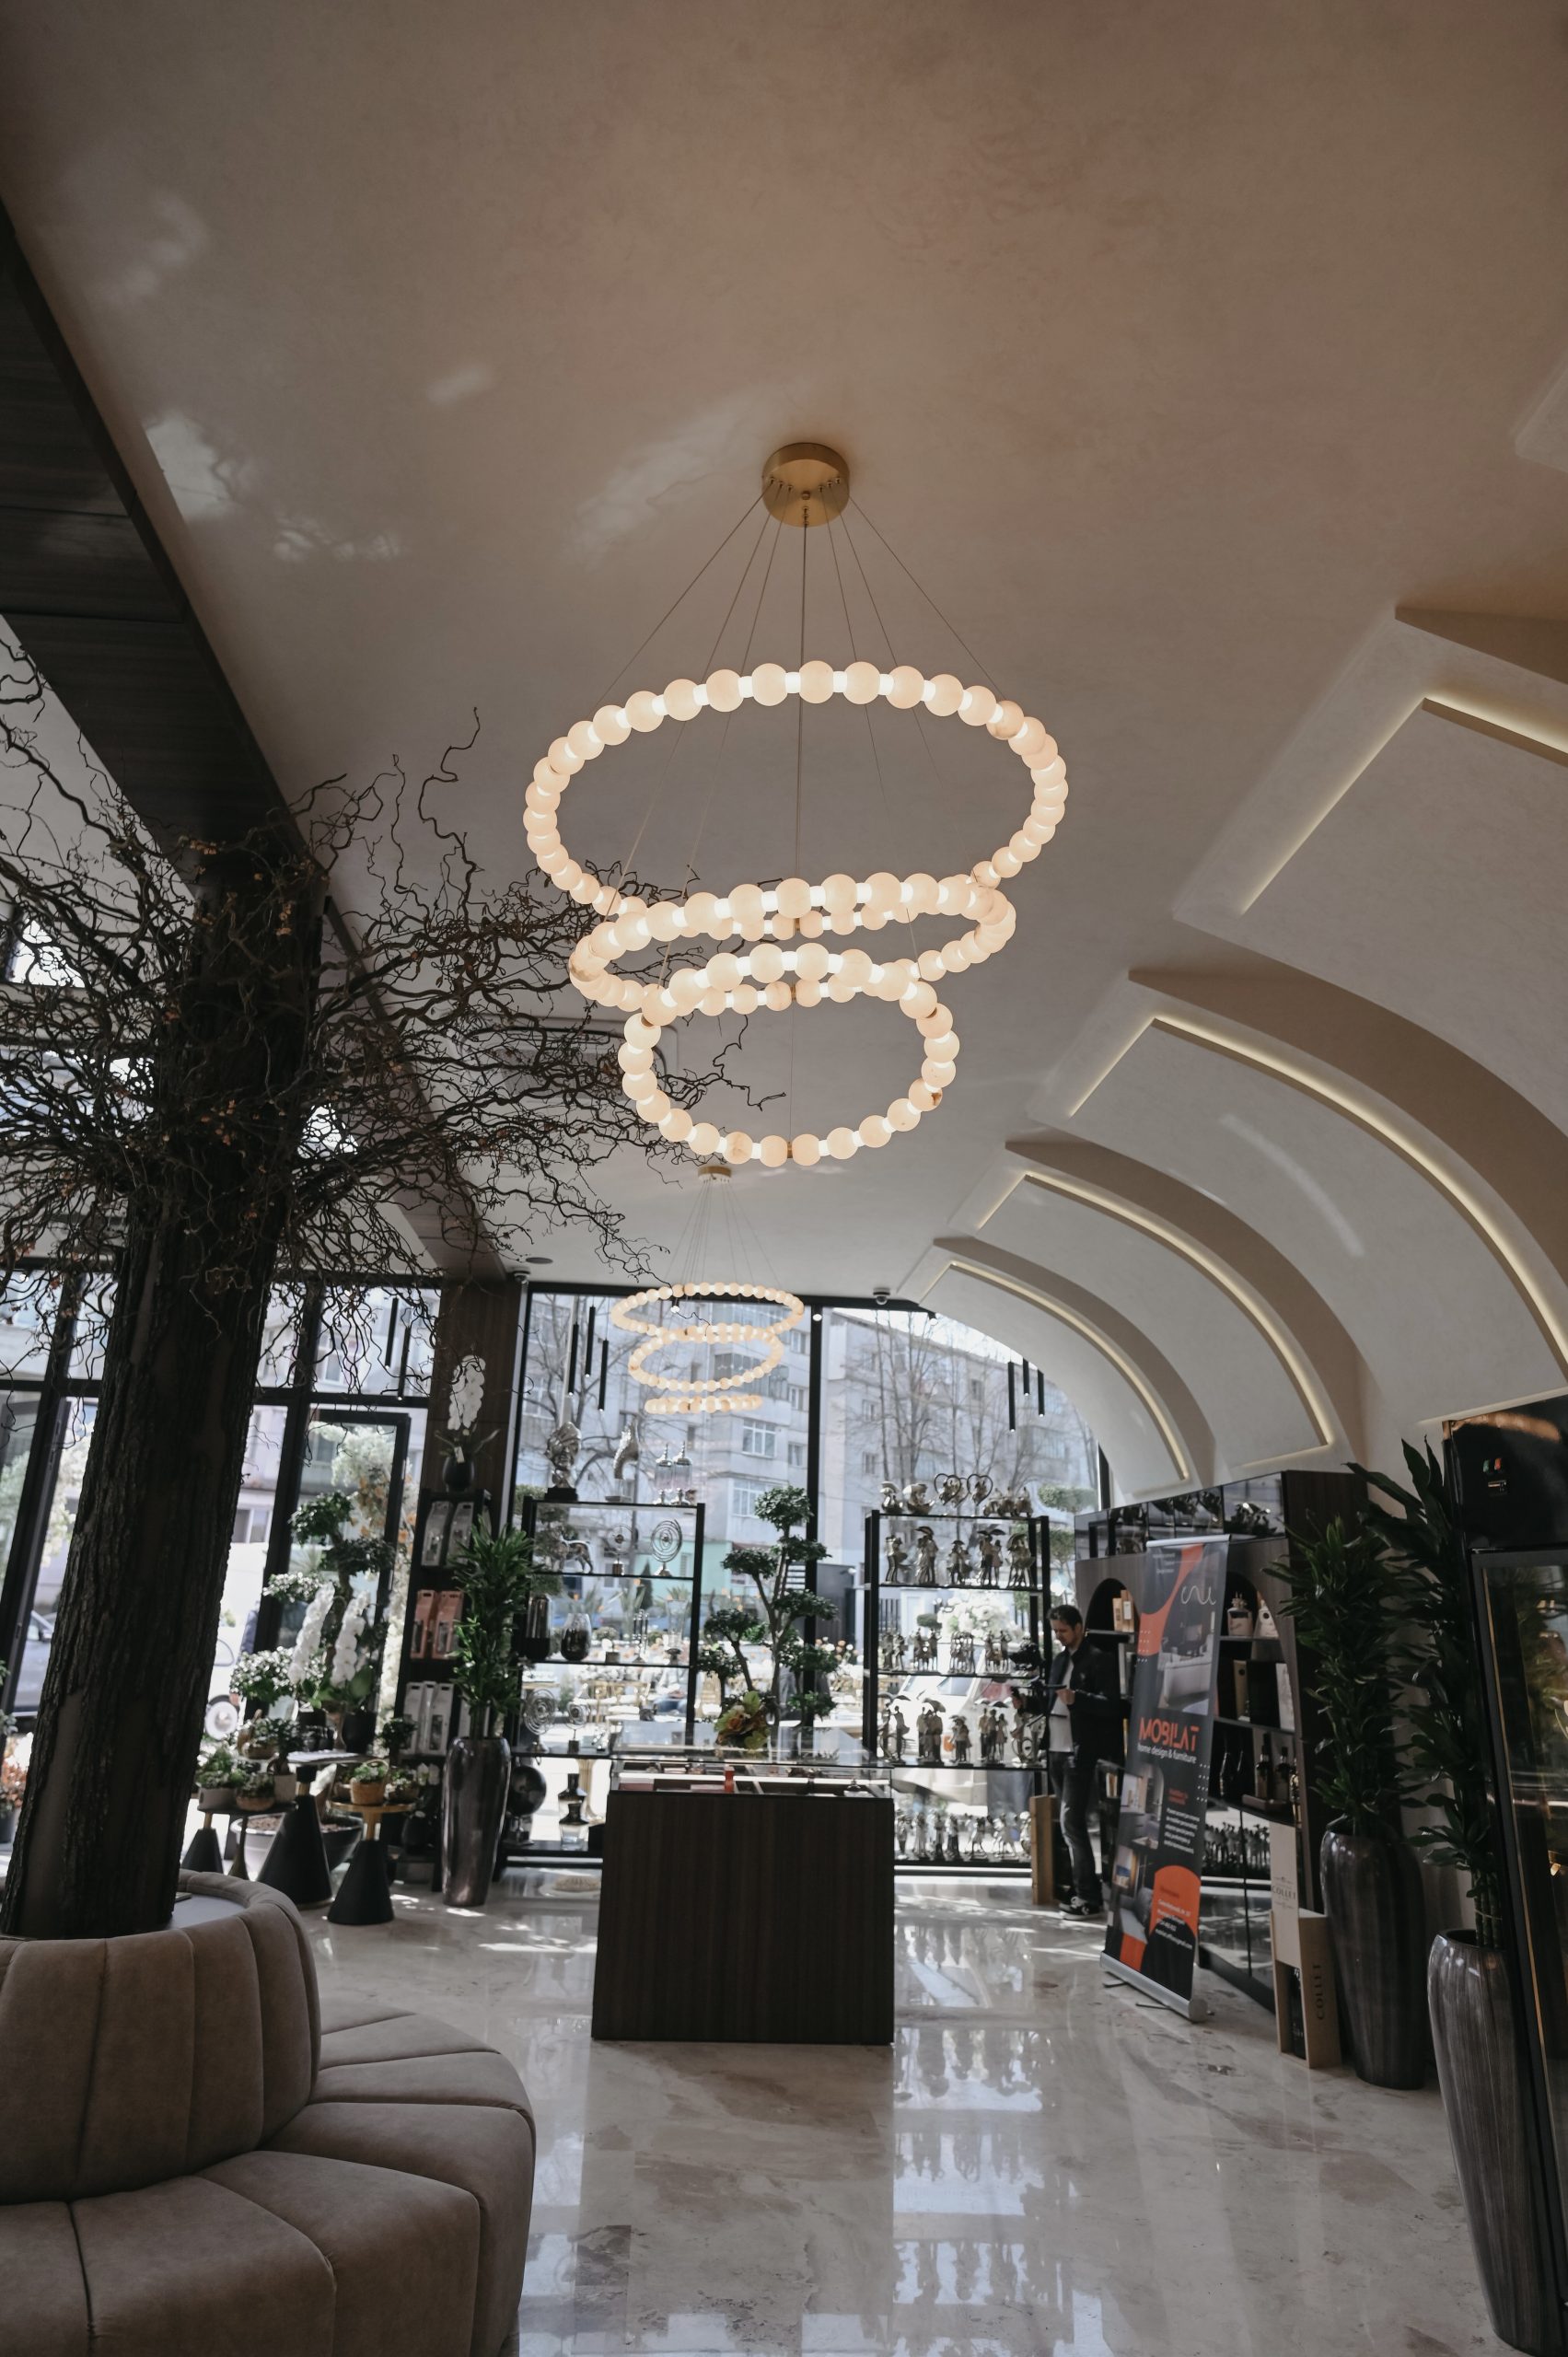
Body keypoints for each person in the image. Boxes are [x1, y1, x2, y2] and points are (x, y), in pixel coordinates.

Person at [1046, 1605, 1123, 1917]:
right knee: (1069, 1825)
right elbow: (1052, 1702)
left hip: (1079, 1752)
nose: (1059, 1636)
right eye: (1055, 1631)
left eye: (1063, 1630)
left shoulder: (1098, 1660)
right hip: (1055, 1749)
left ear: (1079, 1627)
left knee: (1071, 1823)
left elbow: (1112, 1706)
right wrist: (1027, 1703)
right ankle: (1081, 1888)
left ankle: (1089, 1895)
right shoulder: (1059, 1660)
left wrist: (1078, 1698)